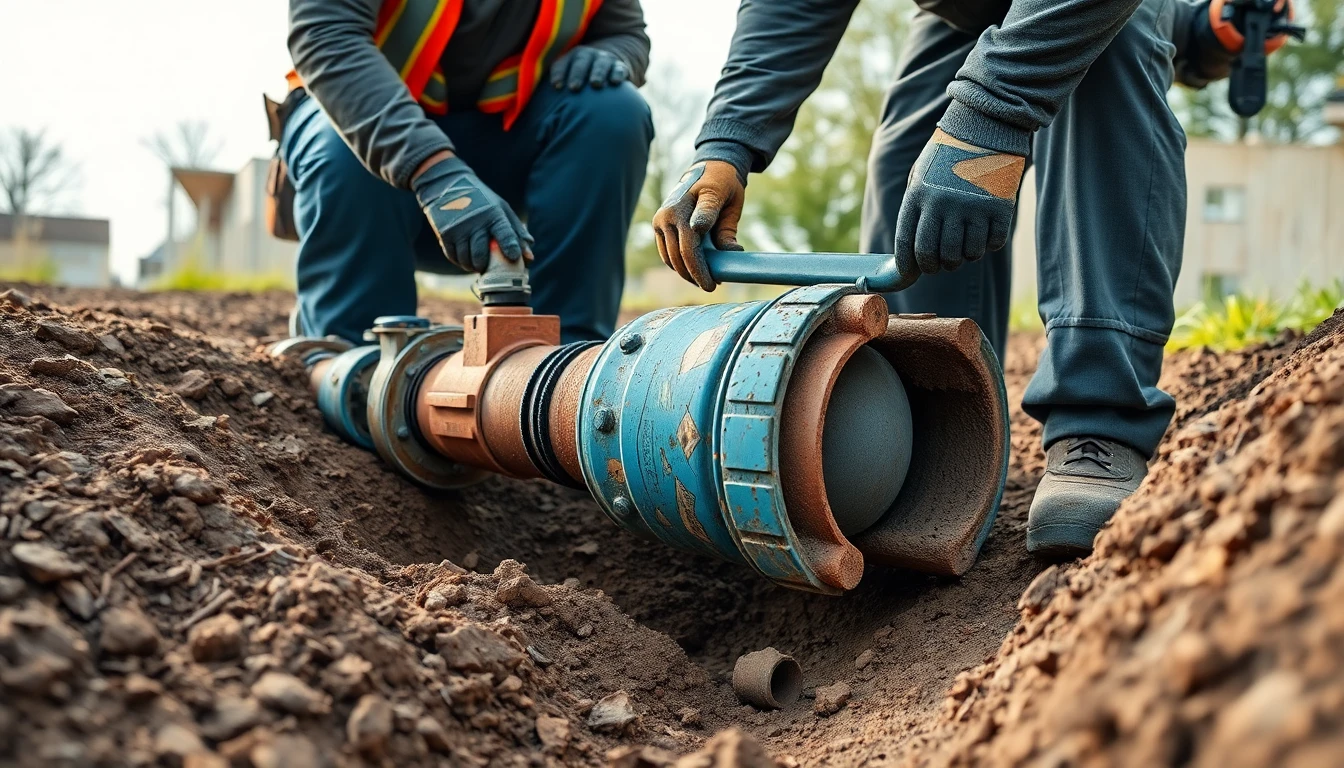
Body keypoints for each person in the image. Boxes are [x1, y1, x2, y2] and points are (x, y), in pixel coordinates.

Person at [653, 0, 1290, 557]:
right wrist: (727, 143)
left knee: (1108, 45)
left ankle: (1098, 418)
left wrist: (991, 118)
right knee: (908, 156)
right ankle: (939, 434)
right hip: (960, 7)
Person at [283, 0, 655, 344]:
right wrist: (436, 175)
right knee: (347, 140)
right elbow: (325, 34)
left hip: (507, 182)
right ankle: (356, 355)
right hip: (374, 167)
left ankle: (567, 358)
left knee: (612, 113)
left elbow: (624, 33)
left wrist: (613, 54)